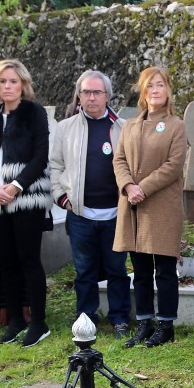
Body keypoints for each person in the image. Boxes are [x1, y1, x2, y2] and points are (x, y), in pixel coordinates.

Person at [50, 70, 131, 339]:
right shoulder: (65, 128)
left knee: (117, 269)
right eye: (86, 92)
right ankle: (86, 318)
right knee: (84, 271)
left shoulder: (122, 128)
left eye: (97, 92)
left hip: (115, 214)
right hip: (81, 214)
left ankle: (119, 318)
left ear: (107, 95)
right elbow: (55, 167)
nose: (91, 97)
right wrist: (63, 199)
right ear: (79, 95)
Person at [0, 59, 53, 348]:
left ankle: (38, 322)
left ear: (23, 84)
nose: (7, 87)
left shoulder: (34, 113)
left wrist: (15, 186)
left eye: (13, 81)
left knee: (29, 260)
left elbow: (40, 155)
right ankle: (15, 320)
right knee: (5, 261)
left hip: (26, 197)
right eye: (2, 82)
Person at [115, 67, 189, 348]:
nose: (155, 90)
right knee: (141, 269)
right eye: (150, 86)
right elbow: (119, 159)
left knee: (165, 269)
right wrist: (128, 186)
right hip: (133, 205)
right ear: (143, 92)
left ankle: (166, 324)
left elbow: (173, 165)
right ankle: (144, 322)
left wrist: (142, 187)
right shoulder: (130, 125)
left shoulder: (175, 125)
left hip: (160, 205)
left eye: (160, 85)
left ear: (168, 90)